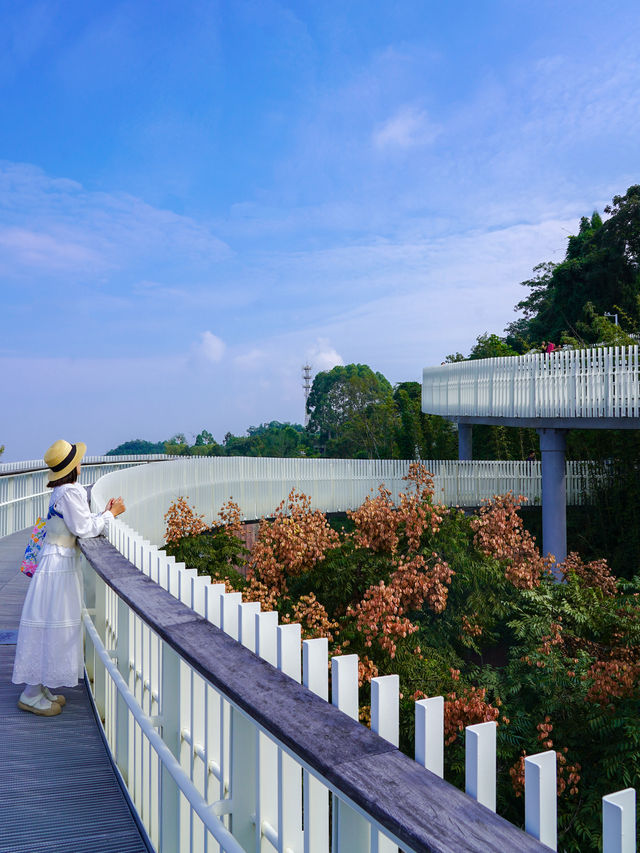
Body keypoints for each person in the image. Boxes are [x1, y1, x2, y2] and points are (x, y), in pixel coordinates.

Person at [12, 439, 126, 716]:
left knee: (48, 623)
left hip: (53, 561)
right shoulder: (72, 491)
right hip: (59, 564)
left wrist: (100, 513)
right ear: (73, 467)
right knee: (54, 625)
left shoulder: (61, 491)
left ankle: (38, 688)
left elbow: (76, 522)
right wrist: (110, 515)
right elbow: (85, 529)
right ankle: (30, 694)